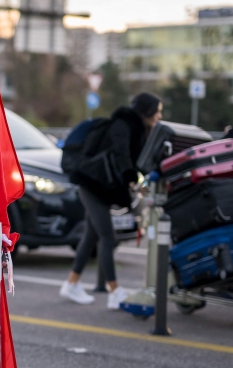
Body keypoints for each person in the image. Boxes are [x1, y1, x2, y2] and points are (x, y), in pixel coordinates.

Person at [61, 92, 163, 309]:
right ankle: (114, 290)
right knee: (108, 237)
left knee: (90, 236)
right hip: (92, 185)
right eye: (158, 111)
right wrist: (131, 180)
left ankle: (71, 284)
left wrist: (138, 180)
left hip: (102, 187)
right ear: (146, 111)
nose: (159, 116)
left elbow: (136, 160)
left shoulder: (137, 129)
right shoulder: (123, 125)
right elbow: (121, 154)